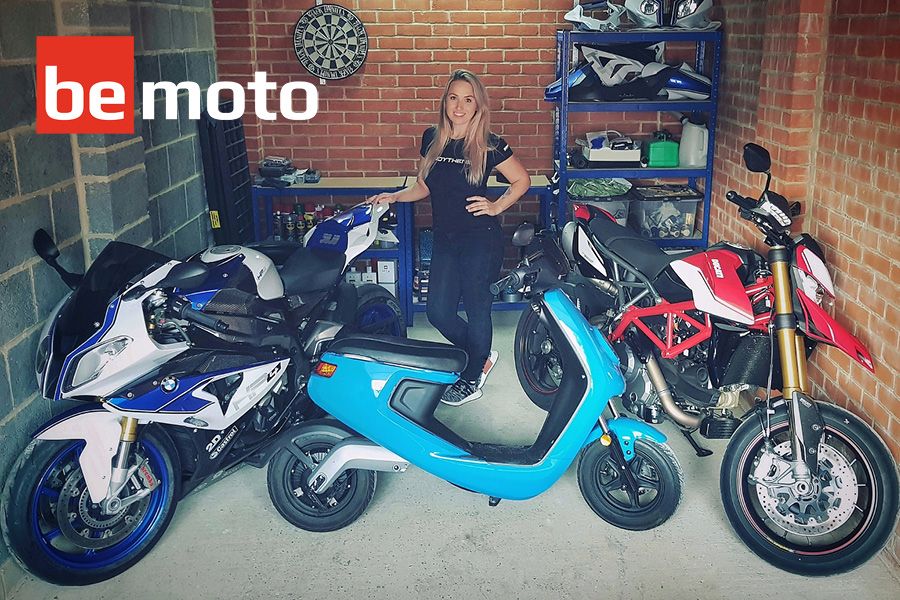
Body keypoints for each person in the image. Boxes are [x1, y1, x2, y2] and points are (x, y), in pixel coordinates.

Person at [369, 69, 530, 406]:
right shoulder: (432, 137)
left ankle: (472, 377)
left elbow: (522, 181)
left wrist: (496, 206)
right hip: (445, 238)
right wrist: (395, 196)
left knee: (477, 309)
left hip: (479, 240)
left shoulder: (490, 143)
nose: (459, 106)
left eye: (467, 99)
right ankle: (479, 355)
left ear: (478, 106)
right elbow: (424, 186)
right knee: (438, 311)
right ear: (445, 102)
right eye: (454, 97)